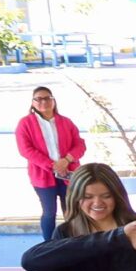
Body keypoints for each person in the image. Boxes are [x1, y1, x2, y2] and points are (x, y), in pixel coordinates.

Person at [11, 86, 85, 234]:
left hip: (68, 174)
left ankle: (74, 242)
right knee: (49, 212)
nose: (42, 101)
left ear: (53, 101)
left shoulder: (66, 122)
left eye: (46, 98)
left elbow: (80, 144)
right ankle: (48, 246)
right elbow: (26, 150)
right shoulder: (25, 123)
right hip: (42, 175)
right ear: (32, 103)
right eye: (38, 99)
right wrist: (52, 165)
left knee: (71, 211)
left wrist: (66, 160)